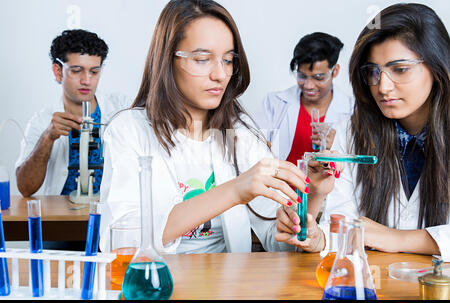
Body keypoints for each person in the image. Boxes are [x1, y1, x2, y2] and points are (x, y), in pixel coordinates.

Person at [99, 0, 310, 254]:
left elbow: (276, 237)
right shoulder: (129, 130)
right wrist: (234, 190)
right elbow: (123, 242)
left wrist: (308, 222)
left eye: (228, 60)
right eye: (202, 59)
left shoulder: (240, 133)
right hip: (157, 286)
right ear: (167, 60)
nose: (220, 74)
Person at [275, 3, 450, 261]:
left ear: (437, 66)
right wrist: (318, 237)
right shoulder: (351, 131)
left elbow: (368, 232)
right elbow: (346, 224)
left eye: (400, 69)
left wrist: (394, 238)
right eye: (372, 72)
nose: (383, 87)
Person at [15, 29, 129, 196]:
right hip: (61, 217)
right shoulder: (42, 121)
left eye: (94, 72)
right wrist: (48, 137)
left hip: (108, 216)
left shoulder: (121, 108)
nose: (86, 81)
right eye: (76, 71)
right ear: (58, 71)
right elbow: (25, 188)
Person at [254, 32, 354, 165]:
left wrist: (335, 146)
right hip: (279, 185)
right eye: (302, 76)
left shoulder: (353, 110)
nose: (308, 85)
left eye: (318, 77)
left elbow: (358, 169)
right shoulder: (274, 103)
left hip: (327, 186)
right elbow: (251, 151)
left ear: (335, 71)